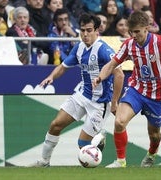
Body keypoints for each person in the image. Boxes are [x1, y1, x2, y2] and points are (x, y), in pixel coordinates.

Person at [92, 10, 161, 168]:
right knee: (119, 122)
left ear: (147, 28)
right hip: (136, 89)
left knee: (154, 134)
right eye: (131, 32)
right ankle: (120, 161)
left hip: (158, 95)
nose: (134, 35)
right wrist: (100, 77)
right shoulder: (129, 44)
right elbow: (112, 64)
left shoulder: (160, 42)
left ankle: (151, 153)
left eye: (137, 32)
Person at [30, 13, 124, 167]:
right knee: (55, 125)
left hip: (100, 102)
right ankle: (44, 161)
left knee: (83, 145)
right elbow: (64, 66)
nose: (85, 34)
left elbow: (119, 74)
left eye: (89, 30)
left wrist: (114, 102)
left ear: (96, 31)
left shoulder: (103, 50)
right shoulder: (79, 48)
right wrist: (52, 77)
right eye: (82, 30)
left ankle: (98, 139)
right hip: (82, 95)